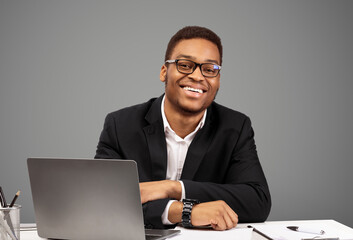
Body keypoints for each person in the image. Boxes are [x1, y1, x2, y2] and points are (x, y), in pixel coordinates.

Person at [95, 26, 271, 231]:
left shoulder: (236, 127)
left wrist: (173, 188)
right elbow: (103, 199)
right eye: (185, 65)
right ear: (164, 72)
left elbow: (257, 201)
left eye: (209, 69)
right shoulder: (120, 125)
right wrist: (183, 211)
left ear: (218, 80)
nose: (197, 76)